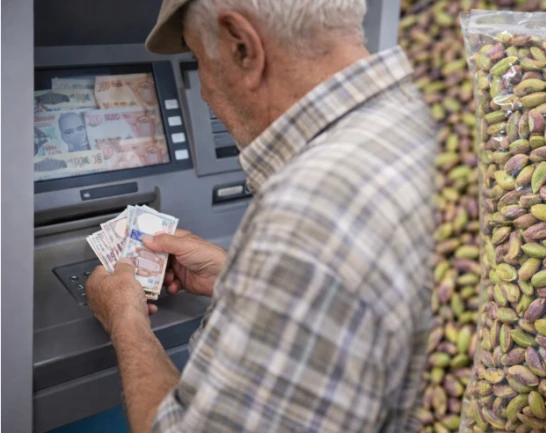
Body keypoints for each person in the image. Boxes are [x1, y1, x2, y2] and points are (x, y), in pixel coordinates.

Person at [84, 0, 435, 432]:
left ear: (242, 47)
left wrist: (125, 318)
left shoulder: (304, 212)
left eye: (198, 60)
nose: (205, 93)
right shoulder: (431, 119)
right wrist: (243, 277)